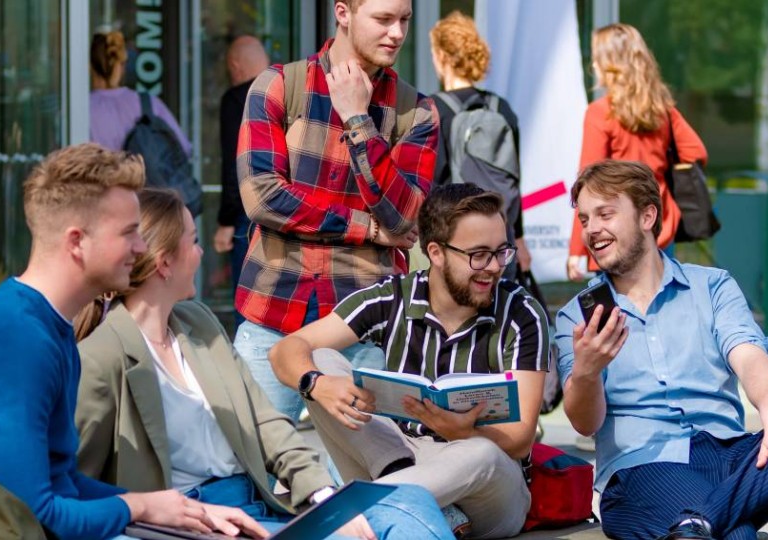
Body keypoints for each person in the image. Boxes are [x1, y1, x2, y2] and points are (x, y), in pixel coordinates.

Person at [0, 144, 266, 540]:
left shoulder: (47, 327)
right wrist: (141, 505)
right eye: (129, 233)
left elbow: (62, 484)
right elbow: (35, 514)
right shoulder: (16, 342)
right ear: (76, 241)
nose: (142, 247)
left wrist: (180, 510)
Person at [73, 189, 453, 539]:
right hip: (191, 525)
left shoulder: (198, 324)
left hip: (254, 507)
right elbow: (75, 485)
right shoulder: (101, 355)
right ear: (164, 264)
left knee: (409, 501)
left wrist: (322, 495)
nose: (203, 252)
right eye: (193, 242)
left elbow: (264, 422)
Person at [554, 161, 768, 540]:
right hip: (645, 468)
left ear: (647, 215)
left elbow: (747, 354)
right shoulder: (576, 318)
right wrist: (587, 371)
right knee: (739, 535)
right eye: (584, 219)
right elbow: (585, 423)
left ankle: (699, 522)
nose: (592, 229)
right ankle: (704, 520)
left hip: (729, 456)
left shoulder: (712, 287)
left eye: (605, 214)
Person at [269, 184, 548, 539]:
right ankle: (406, 496)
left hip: (491, 489)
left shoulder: (521, 313)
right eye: (479, 255)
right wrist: (317, 384)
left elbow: (521, 439)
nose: (493, 268)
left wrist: (465, 431)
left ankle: (340, 517)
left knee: (481, 453)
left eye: (501, 252)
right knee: (321, 359)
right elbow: (285, 351)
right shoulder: (394, 296)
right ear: (437, 252)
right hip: (403, 456)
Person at [234, 0, 439, 423]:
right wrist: (368, 229)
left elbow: (405, 220)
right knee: (252, 471)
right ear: (343, 13)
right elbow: (263, 198)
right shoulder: (278, 86)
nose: (397, 33)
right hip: (273, 309)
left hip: (366, 322)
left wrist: (358, 120)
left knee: (362, 480)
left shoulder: (416, 111)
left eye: (404, 20)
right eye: (383, 19)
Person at [566, 24, 708, 282]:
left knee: (618, 317)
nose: (594, 66)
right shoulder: (662, 111)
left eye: (597, 59)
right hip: (658, 227)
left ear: (610, 64)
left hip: (615, 234)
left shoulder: (601, 113)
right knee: (662, 308)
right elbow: (695, 152)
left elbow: (588, 185)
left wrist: (577, 248)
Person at [429, 12, 531, 275]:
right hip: (501, 237)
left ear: (441, 56)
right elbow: (512, 180)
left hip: (458, 243)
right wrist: (518, 238)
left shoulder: (433, 109)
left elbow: (433, 184)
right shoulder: (501, 108)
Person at [215, 35, 269, 299]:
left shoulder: (236, 99)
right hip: (289, 210)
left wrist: (226, 220)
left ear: (235, 66)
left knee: (247, 301)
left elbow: (233, 162)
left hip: (248, 212)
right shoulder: (288, 89)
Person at [89, 30, 194, 156]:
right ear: (122, 65)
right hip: (143, 175)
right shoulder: (147, 103)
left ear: (90, 66)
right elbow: (183, 147)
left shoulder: (82, 109)